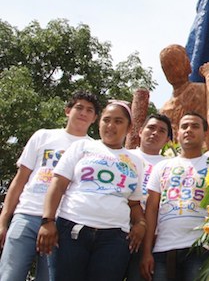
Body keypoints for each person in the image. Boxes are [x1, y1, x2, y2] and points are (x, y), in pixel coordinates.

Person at [36, 101, 145, 281]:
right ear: (99, 122)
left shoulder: (136, 161)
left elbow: (134, 203)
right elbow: (58, 184)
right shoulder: (82, 147)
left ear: (129, 127)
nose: (110, 125)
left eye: (118, 121)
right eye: (106, 120)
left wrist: (141, 224)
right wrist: (47, 221)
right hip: (71, 229)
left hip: (114, 238)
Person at [0, 91, 99, 281]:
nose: (83, 113)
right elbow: (20, 179)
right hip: (27, 214)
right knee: (9, 275)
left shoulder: (94, 149)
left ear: (95, 118)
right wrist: (3, 220)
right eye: (79, 107)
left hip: (61, 221)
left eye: (89, 110)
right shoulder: (43, 136)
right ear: (67, 110)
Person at [140, 112, 209, 281]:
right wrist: (146, 252)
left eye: (195, 126)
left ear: (205, 134)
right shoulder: (161, 166)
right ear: (177, 133)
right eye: (184, 126)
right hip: (163, 250)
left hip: (201, 248)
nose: (189, 130)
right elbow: (152, 209)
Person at [126, 114, 173, 281]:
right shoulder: (124, 156)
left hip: (151, 238)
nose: (155, 133)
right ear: (140, 131)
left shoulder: (171, 166)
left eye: (161, 131)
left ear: (168, 139)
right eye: (151, 128)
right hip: (118, 231)